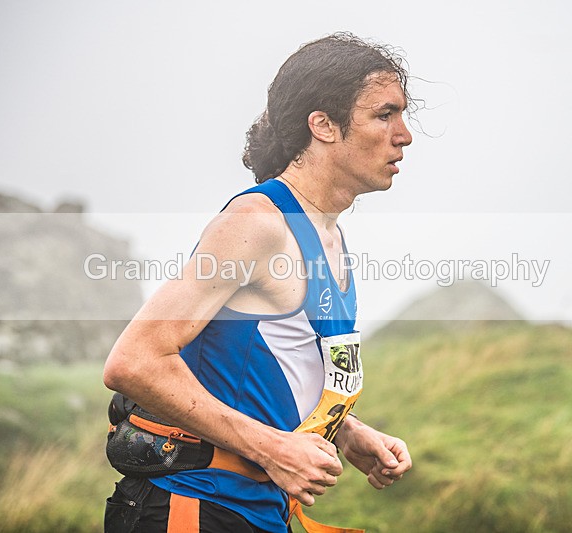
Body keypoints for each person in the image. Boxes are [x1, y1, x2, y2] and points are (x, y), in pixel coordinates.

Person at [103, 32, 414, 533]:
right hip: (193, 506)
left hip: (261, 511)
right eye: (385, 114)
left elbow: (265, 366)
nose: (404, 135)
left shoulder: (327, 233)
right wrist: (274, 449)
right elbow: (134, 362)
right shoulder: (257, 224)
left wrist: (345, 432)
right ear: (323, 125)